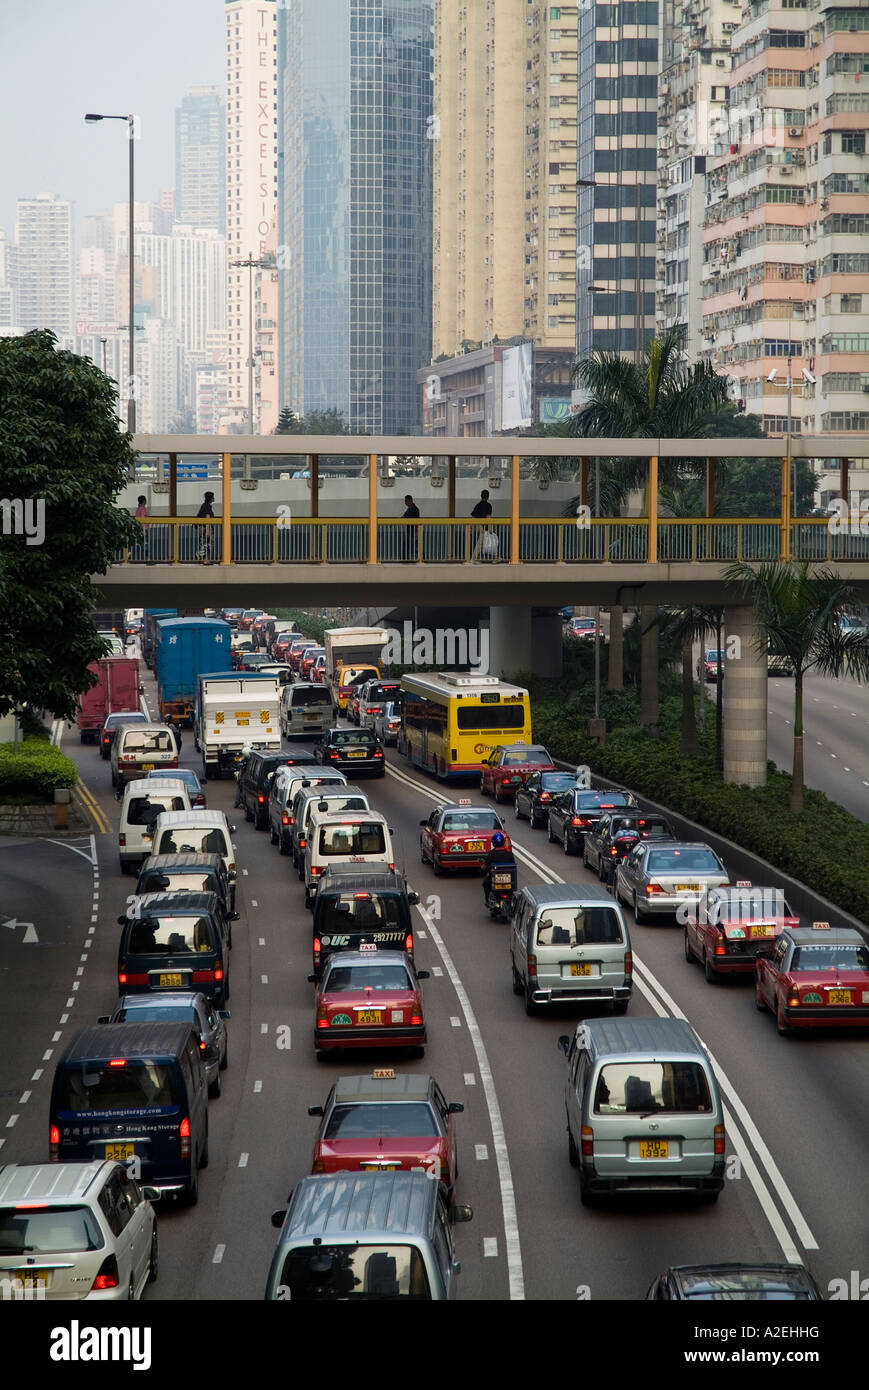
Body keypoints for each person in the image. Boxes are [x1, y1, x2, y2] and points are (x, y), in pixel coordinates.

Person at [482, 830, 517, 906]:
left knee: (485, 883)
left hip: (495, 879)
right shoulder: (509, 854)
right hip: (509, 880)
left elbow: (484, 866)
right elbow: (513, 865)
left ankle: (488, 900)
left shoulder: (491, 854)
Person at [471, 488, 494, 561]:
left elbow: (473, 516)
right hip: (484, 527)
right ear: (488, 497)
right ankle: (473, 559)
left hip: (477, 525)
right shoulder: (488, 505)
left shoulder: (478, 505)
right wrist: (490, 528)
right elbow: (488, 517)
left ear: (481, 496)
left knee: (485, 541)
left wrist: (471, 528)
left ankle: (496, 556)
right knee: (488, 542)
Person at [196, 491, 215, 564]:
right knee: (207, 543)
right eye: (213, 497)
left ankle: (202, 557)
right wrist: (208, 531)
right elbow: (207, 518)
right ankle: (202, 556)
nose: (214, 498)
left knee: (204, 543)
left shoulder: (204, 505)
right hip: (206, 527)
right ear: (210, 498)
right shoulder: (207, 506)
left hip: (202, 527)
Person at [233, 743, 252, 809]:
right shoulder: (250, 760)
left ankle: (238, 801)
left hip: (246, 778)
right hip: (247, 778)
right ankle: (239, 801)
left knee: (240, 787)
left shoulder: (245, 760)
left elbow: (240, 769)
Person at [402, 494, 420, 561]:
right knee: (407, 545)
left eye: (406, 501)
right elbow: (403, 517)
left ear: (410, 501)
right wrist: (393, 522)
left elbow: (417, 521)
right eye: (405, 501)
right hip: (409, 531)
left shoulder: (415, 510)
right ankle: (404, 558)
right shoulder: (408, 509)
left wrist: (417, 533)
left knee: (415, 546)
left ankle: (423, 557)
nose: (405, 502)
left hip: (413, 531)